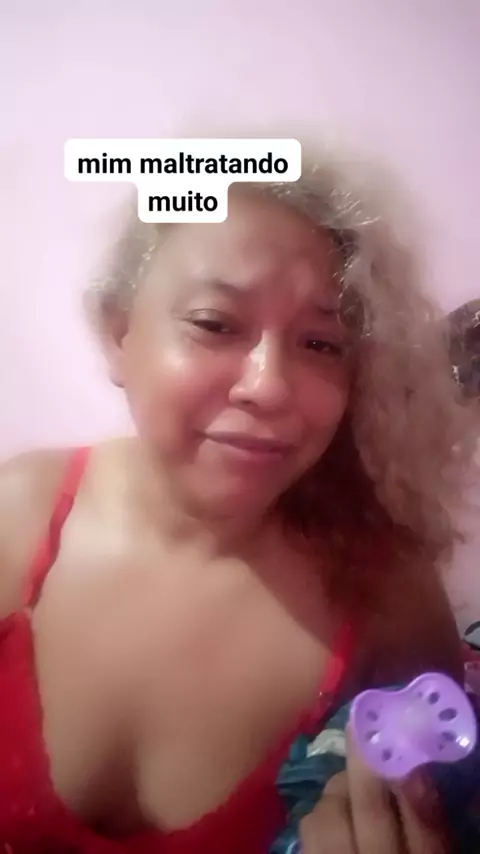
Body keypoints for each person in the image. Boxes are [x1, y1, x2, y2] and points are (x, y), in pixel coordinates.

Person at [0, 156, 477, 854]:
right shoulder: (18, 516)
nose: (269, 386)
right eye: (216, 323)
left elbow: (444, 798)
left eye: (321, 343)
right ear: (119, 333)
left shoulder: (390, 595)